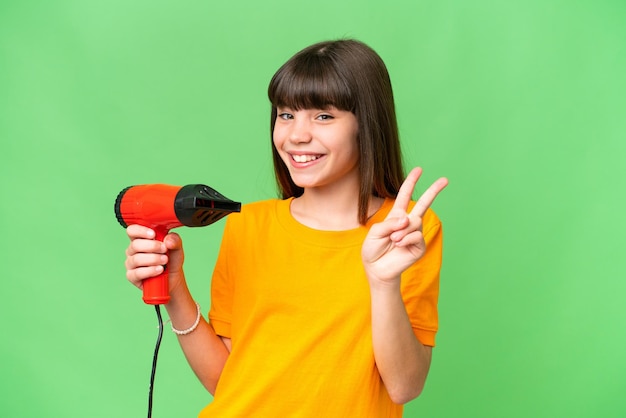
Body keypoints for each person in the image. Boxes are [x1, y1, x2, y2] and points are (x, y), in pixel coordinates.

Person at [124, 39, 448, 417]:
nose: (296, 135)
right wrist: (175, 287)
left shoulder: (407, 230)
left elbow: (404, 386)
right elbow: (226, 380)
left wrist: (383, 283)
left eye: (323, 116)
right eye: (286, 114)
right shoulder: (247, 226)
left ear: (367, 124)